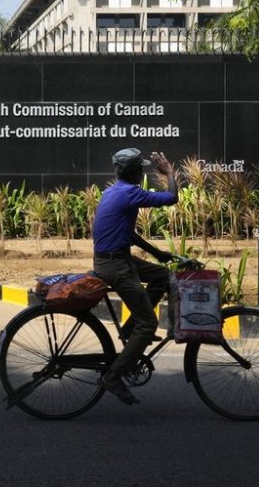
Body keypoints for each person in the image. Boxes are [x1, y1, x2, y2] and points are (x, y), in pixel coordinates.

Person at [92, 148, 178, 405]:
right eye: (142, 168)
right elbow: (171, 198)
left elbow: (128, 234)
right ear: (136, 172)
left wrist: (158, 254)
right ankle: (113, 377)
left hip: (115, 259)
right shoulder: (131, 192)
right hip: (116, 265)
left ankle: (131, 329)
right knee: (149, 324)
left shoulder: (113, 191)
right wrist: (169, 173)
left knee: (164, 276)